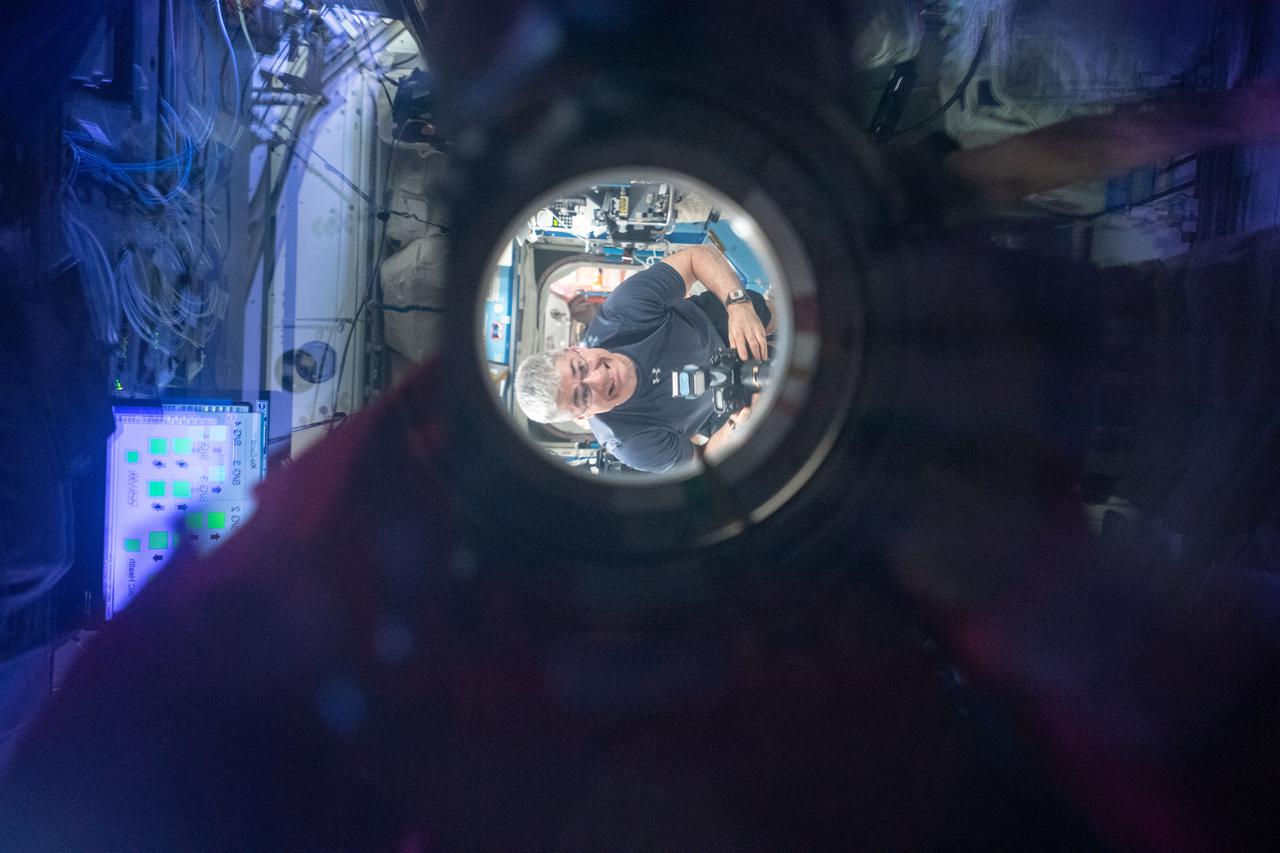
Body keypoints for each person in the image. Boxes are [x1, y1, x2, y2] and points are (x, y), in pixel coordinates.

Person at [515, 244, 772, 473]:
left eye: (580, 367)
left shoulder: (622, 312)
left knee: (788, 315)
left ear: (575, 349)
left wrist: (738, 305)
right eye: (583, 396)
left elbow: (697, 257)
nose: (599, 377)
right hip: (720, 410)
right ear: (582, 417)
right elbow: (700, 462)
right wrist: (737, 427)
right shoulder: (630, 443)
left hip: (712, 323)